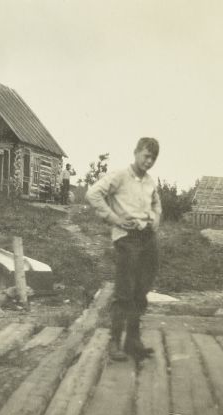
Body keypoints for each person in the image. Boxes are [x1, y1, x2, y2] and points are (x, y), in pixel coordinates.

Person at [86, 137, 162, 361]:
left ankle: (133, 342)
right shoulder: (119, 176)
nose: (149, 161)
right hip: (127, 238)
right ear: (136, 152)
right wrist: (113, 218)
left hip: (148, 238)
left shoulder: (150, 182)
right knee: (125, 291)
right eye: (146, 156)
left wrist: (156, 218)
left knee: (141, 290)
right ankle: (114, 342)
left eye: (153, 158)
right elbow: (93, 194)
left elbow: (157, 204)